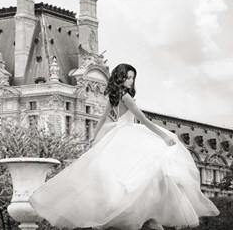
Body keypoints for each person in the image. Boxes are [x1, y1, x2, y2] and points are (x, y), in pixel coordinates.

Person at [29, 63, 219, 230]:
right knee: (151, 169)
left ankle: (132, 214)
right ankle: (149, 213)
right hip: (129, 132)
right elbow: (143, 120)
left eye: (132, 78)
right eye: (128, 77)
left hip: (117, 134)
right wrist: (164, 135)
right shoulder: (126, 97)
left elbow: (103, 119)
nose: (131, 81)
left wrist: (93, 141)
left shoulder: (113, 96)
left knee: (125, 177)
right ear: (121, 78)